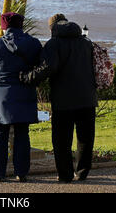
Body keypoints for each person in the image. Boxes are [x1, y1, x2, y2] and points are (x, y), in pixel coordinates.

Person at [20, 13, 97, 183]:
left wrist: (28, 77)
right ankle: (82, 172)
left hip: (64, 100)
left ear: (52, 27)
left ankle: (65, 175)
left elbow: (47, 67)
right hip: (87, 98)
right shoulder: (86, 42)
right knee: (85, 138)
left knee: (62, 140)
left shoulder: (54, 44)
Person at [0, 12, 42, 182]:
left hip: (2, 94)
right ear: (21, 25)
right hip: (25, 91)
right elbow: (41, 65)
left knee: (0, 132)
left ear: (4, 26)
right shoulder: (34, 43)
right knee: (22, 132)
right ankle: (21, 172)